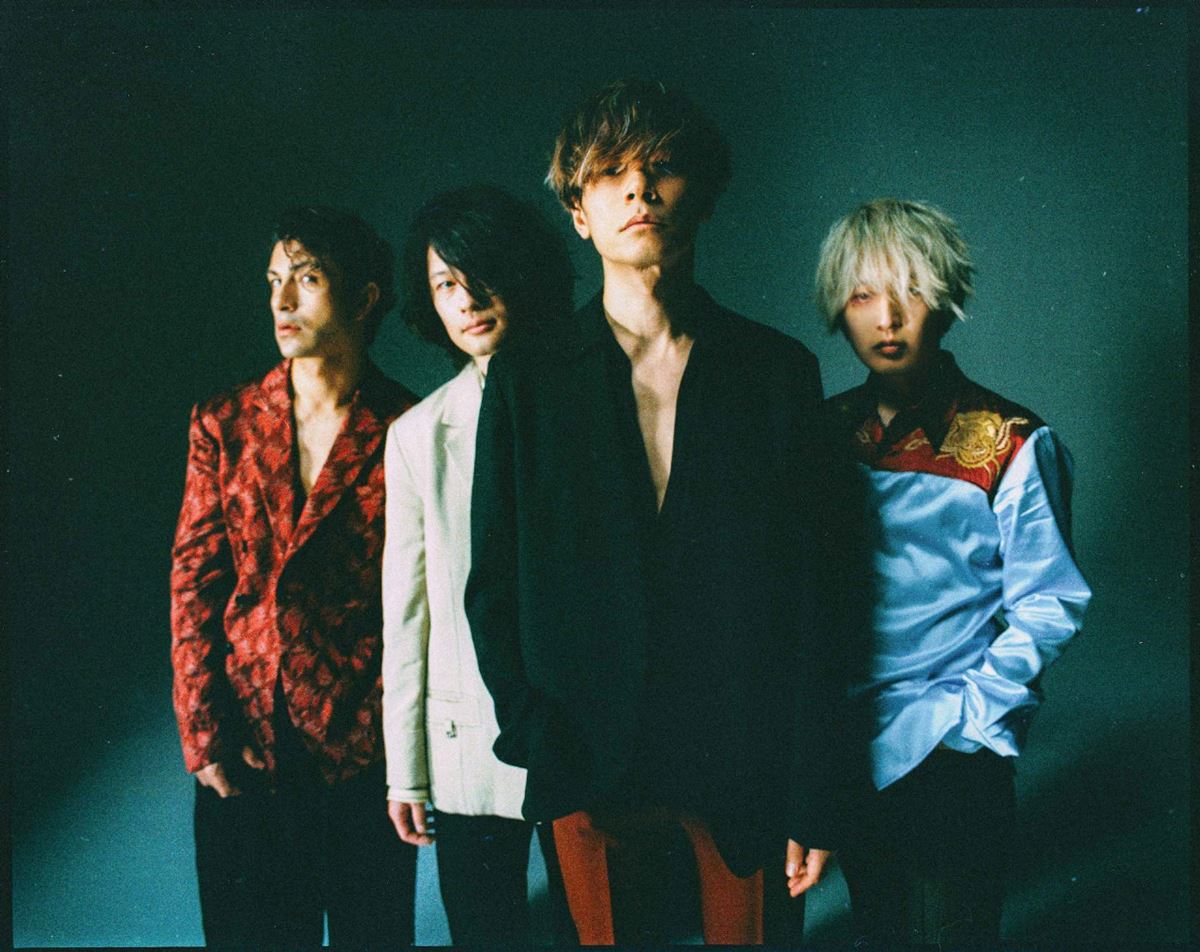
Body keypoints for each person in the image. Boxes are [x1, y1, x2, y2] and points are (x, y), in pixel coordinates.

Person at [465, 78, 850, 946]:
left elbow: (816, 599)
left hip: (746, 763)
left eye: (663, 166)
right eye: (610, 172)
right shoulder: (528, 378)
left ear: (702, 195)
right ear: (578, 212)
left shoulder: (775, 372)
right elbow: (493, 584)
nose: (639, 187)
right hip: (587, 762)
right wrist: (538, 736)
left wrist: (812, 788)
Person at [816, 198, 1093, 947]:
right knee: (879, 932)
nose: (887, 318)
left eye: (910, 291)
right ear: (838, 308)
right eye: (863, 295)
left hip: (951, 743)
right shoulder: (818, 434)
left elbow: (1050, 602)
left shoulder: (1012, 441)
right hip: (847, 741)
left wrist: (972, 721)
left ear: (946, 299)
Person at [170, 206, 419, 949]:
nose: (281, 300)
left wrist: (397, 744)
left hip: (364, 749)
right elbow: (194, 581)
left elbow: (423, 597)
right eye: (274, 280)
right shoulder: (225, 422)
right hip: (246, 741)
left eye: (307, 279)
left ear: (365, 297)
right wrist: (204, 734)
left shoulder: (409, 427)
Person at [381, 184, 578, 945]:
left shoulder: (594, 400)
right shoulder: (418, 434)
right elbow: (407, 615)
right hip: (469, 741)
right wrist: (406, 771)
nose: (466, 300)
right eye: (444, 285)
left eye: (480, 273)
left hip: (581, 737)